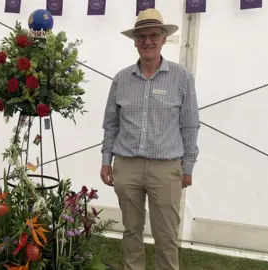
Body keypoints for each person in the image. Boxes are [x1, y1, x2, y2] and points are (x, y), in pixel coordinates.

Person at [100, 8, 200, 270]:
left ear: (164, 38)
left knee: (166, 235)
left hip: (166, 168)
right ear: (134, 41)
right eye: (141, 36)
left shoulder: (181, 78)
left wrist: (187, 167)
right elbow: (111, 124)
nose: (147, 41)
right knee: (131, 231)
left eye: (153, 35)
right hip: (127, 166)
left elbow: (190, 125)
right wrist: (106, 161)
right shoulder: (121, 79)